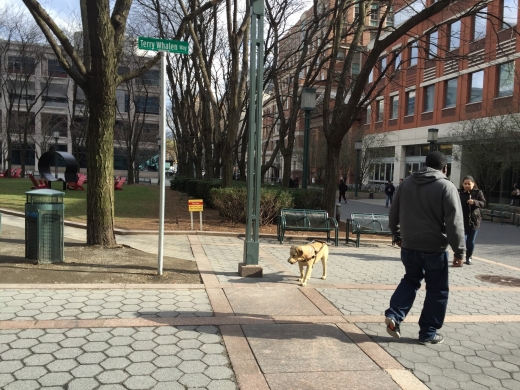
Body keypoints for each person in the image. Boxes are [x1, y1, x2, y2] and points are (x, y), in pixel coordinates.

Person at [385, 152, 465, 345]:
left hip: (409, 244)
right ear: (444, 168)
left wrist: (396, 234)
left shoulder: (406, 184)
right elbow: (454, 222)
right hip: (434, 247)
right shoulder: (446, 186)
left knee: (411, 280)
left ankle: (395, 315)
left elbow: (393, 212)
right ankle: (428, 332)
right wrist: (459, 251)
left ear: (424, 164)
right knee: (437, 289)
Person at [459, 176, 485, 265]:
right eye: (465, 184)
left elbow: (483, 203)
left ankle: (469, 257)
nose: (466, 185)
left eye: (469, 184)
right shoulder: (459, 192)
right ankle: (459, 256)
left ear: (473, 184)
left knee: (470, 241)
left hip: (474, 220)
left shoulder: (478, 193)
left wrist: (475, 202)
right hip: (462, 220)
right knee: (462, 239)